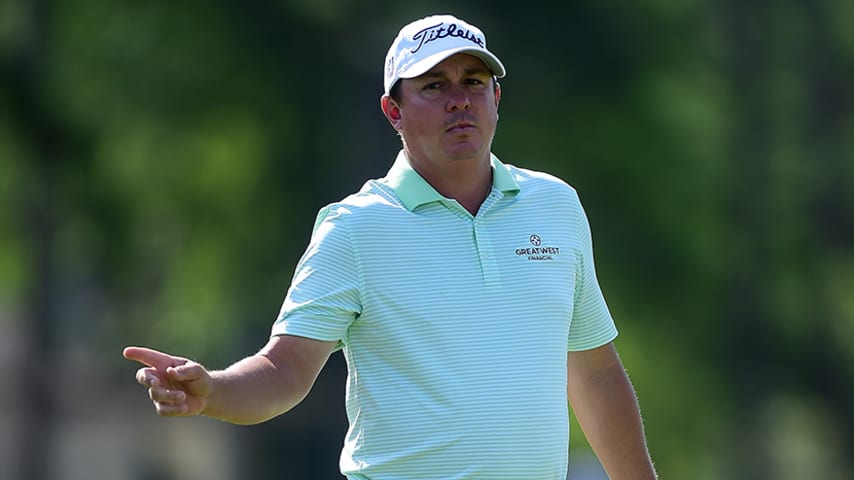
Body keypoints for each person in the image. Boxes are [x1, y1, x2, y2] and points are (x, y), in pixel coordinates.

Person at [124, 14, 657, 480]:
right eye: (432, 85)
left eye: (474, 81)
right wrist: (212, 390)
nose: (458, 99)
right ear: (393, 111)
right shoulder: (354, 229)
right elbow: (284, 371)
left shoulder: (555, 207)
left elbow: (595, 373)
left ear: (497, 98)